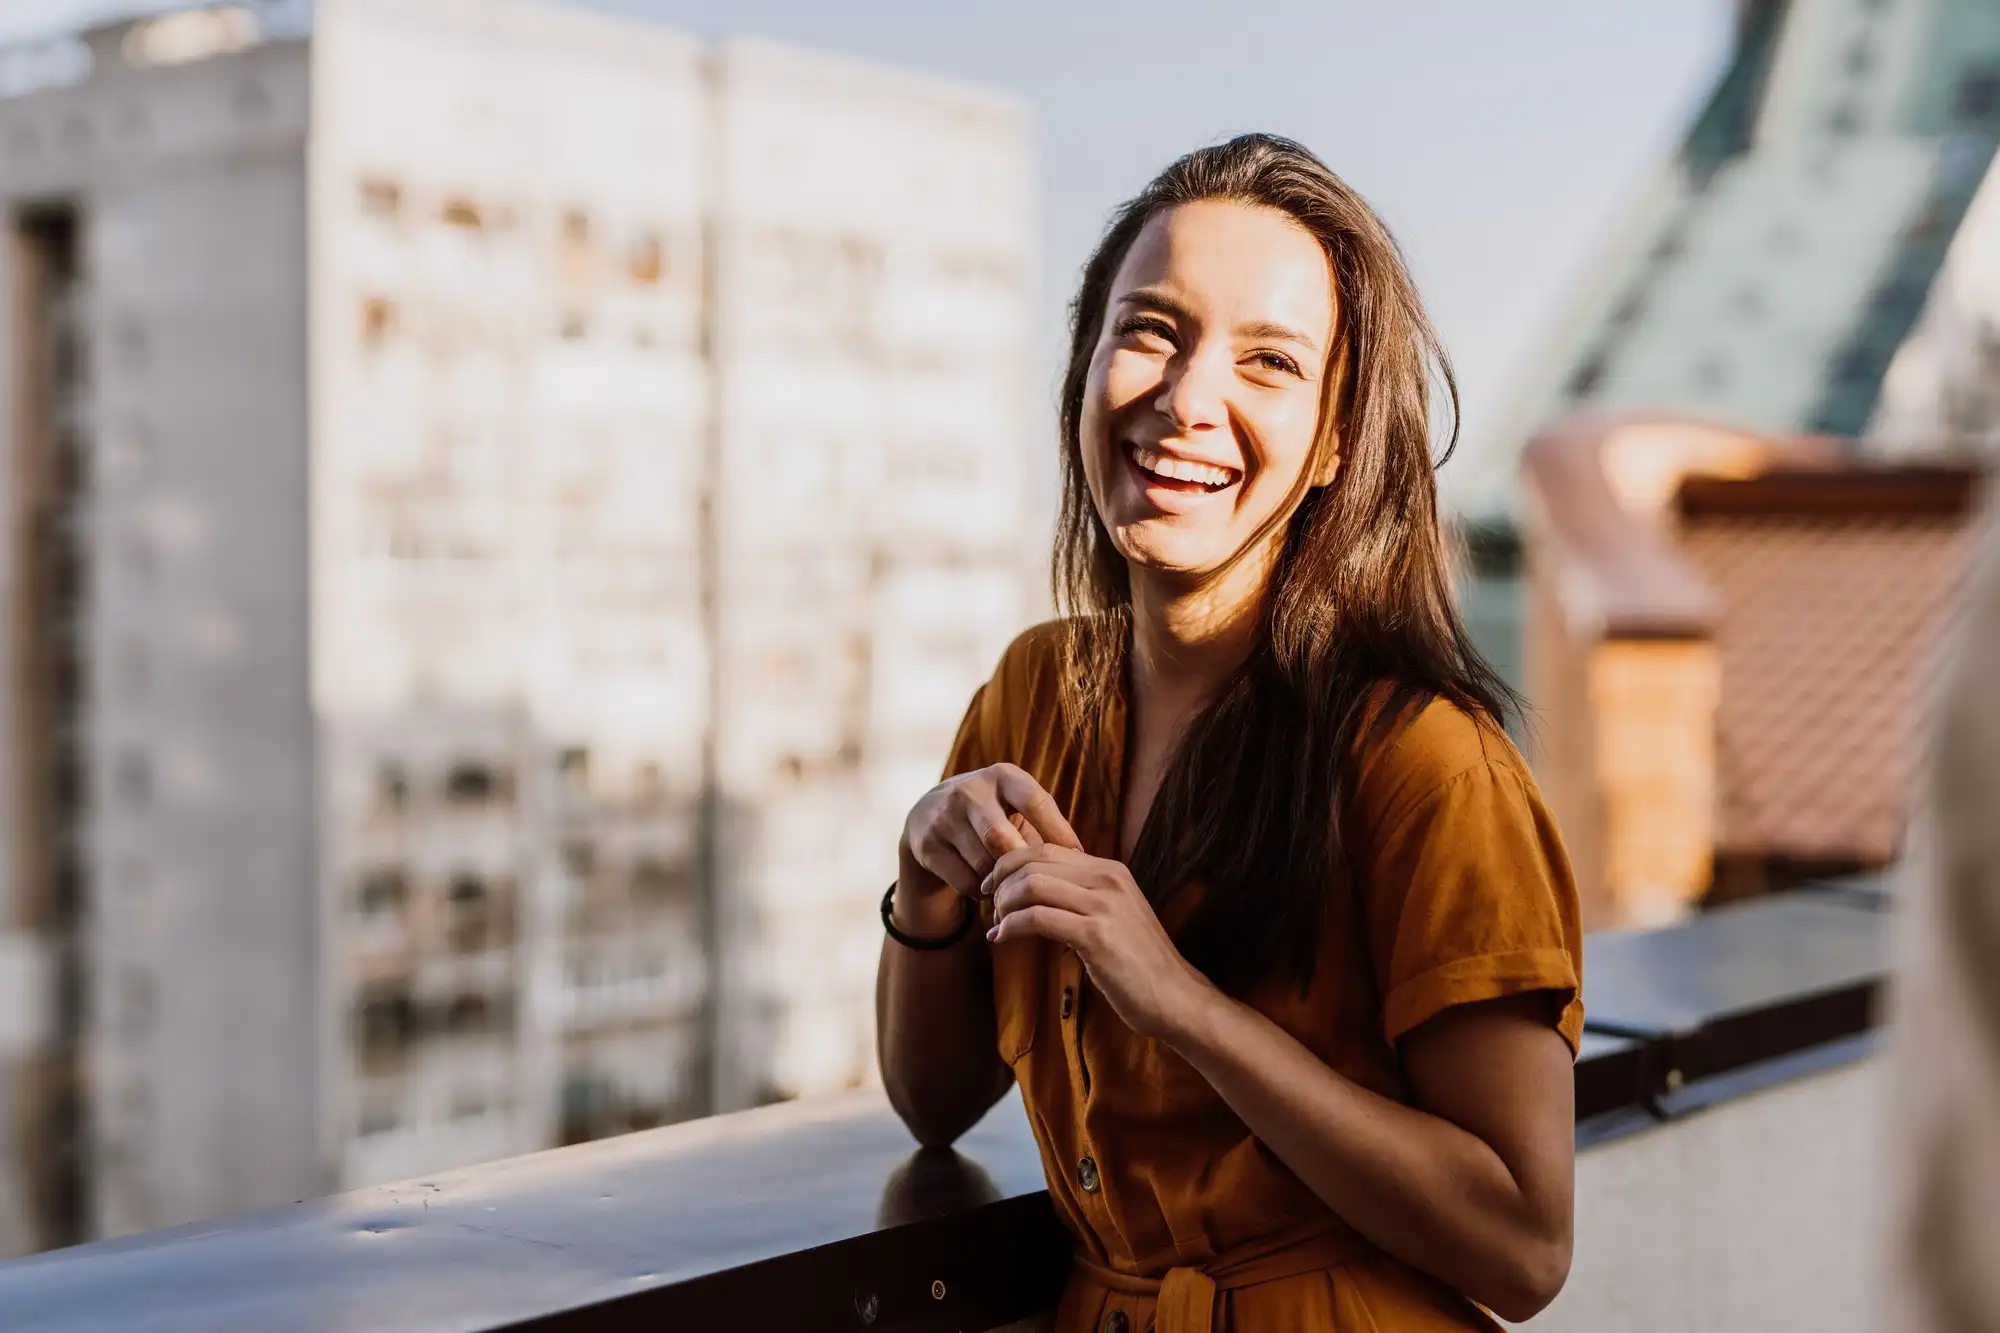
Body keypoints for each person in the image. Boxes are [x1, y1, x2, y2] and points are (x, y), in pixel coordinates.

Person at [875, 134, 1582, 1333]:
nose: (1186, 399)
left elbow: (1521, 1244)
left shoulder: (1423, 761)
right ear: (1084, 364)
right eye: (1147, 330)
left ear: (1336, 442)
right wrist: (922, 887)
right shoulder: (1034, 692)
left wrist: (1182, 1004)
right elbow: (934, 1105)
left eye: (1268, 361)